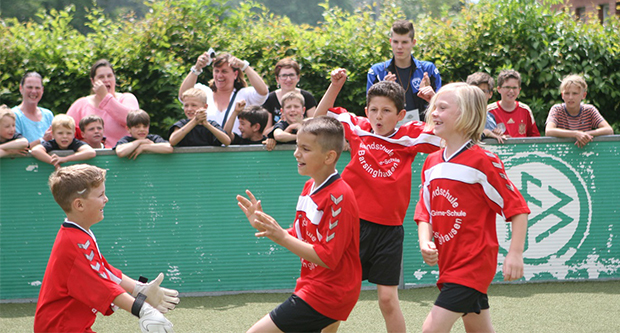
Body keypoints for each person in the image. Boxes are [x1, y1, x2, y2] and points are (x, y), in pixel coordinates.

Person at [315, 68, 442, 332]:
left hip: (389, 231)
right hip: (351, 226)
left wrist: (433, 98)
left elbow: (452, 129)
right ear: (366, 110)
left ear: (400, 115)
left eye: (386, 111)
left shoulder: (411, 135)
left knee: (387, 299)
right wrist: (335, 86)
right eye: (373, 110)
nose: (378, 116)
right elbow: (318, 119)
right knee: (337, 295)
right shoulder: (356, 127)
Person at [414, 83, 529, 333]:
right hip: (449, 263)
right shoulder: (431, 163)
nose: (434, 113)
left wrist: (515, 253)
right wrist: (425, 241)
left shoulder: (483, 160)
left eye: (442, 108)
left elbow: (517, 208)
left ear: (465, 115)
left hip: (472, 265)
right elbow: (425, 211)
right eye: (434, 107)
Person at [236, 116, 361, 333]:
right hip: (315, 285)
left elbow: (327, 257)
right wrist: (267, 227)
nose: (296, 153)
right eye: (297, 146)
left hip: (329, 293)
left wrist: (281, 237)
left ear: (329, 156)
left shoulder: (340, 196)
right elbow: (302, 236)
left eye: (305, 148)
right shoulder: (308, 187)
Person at [34, 164, 178, 332]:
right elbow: (102, 284)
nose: (106, 199)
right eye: (101, 194)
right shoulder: (76, 242)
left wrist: (139, 289)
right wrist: (142, 310)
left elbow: (103, 270)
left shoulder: (78, 234)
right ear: (79, 205)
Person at [367, 19, 442, 124]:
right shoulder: (376, 72)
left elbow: (442, 109)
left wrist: (431, 97)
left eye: (404, 42)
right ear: (390, 42)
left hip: (422, 132)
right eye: (396, 42)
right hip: (389, 133)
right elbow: (370, 110)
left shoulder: (428, 69)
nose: (399, 47)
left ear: (413, 43)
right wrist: (384, 91)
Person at [178, 52, 268, 137]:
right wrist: (196, 68)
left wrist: (245, 66)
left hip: (235, 147)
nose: (219, 76)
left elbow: (263, 92)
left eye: (224, 71)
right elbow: (183, 96)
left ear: (235, 74)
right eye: (216, 71)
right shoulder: (204, 92)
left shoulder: (244, 94)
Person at [67, 59, 140, 147]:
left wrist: (105, 97)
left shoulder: (127, 98)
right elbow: (65, 129)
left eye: (109, 76)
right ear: (93, 81)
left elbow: (132, 121)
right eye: (101, 77)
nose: (106, 80)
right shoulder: (80, 104)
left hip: (124, 156)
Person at [545, 74, 613, 148]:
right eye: (567, 93)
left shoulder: (589, 110)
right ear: (562, 95)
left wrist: (584, 135)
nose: (570, 97)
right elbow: (549, 131)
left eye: (575, 93)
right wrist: (575, 134)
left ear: (583, 95)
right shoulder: (557, 109)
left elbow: (609, 130)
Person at [262, 58, 317, 131]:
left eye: (291, 75)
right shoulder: (270, 99)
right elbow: (265, 132)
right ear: (277, 79)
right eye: (284, 75)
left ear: (298, 77)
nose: (288, 79)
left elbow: (316, 126)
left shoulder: (307, 97)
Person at [30, 114, 96, 169]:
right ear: (53, 134)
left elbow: (91, 152)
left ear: (74, 134)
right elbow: (35, 151)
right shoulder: (51, 143)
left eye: (69, 133)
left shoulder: (75, 143)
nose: (65, 136)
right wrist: (55, 163)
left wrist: (65, 159)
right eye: (60, 133)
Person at [487, 69, 540, 138]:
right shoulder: (489, 111)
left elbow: (535, 137)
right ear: (499, 89)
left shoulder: (525, 110)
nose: (511, 91)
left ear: (519, 90)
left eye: (514, 88)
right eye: (507, 87)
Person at [12, 72, 54, 148]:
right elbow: (17, 150)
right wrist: (42, 140)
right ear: (21, 88)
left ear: (42, 90)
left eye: (37, 88)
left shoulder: (48, 115)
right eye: (30, 87)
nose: (34, 91)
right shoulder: (13, 115)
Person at [466, 72, 506, 143]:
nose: (478, 94)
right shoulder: (463, 115)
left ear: (490, 94)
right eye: (475, 90)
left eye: (483, 91)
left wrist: (496, 134)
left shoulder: (490, 117)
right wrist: (486, 133)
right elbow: (464, 141)